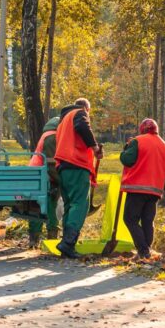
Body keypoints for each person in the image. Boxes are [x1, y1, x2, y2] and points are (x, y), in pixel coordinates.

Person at [54, 98, 102, 259]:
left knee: (70, 205)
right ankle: (68, 243)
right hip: (77, 164)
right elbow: (82, 126)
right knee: (80, 204)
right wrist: (95, 147)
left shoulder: (62, 121)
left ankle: (65, 244)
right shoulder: (80, 113)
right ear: (86, 108)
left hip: (63, 166)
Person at [119, 118, 165, 259]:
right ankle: (146, 250)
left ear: (142, 129)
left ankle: (143, 250)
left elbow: (127, 160)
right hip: (155, 191)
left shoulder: (138, 141)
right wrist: (161, 188)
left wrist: (126, 149)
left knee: (130, 219)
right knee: (147, 221)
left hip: (137, 188)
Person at [28, 116, 61, 246]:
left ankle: (33, 240)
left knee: (36, 208)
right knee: (50, 207)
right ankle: (52, 239)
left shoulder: (46, 135)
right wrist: (60, 181)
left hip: (36, 174)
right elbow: (51, 162)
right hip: (44, 176)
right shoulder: (53, 137)